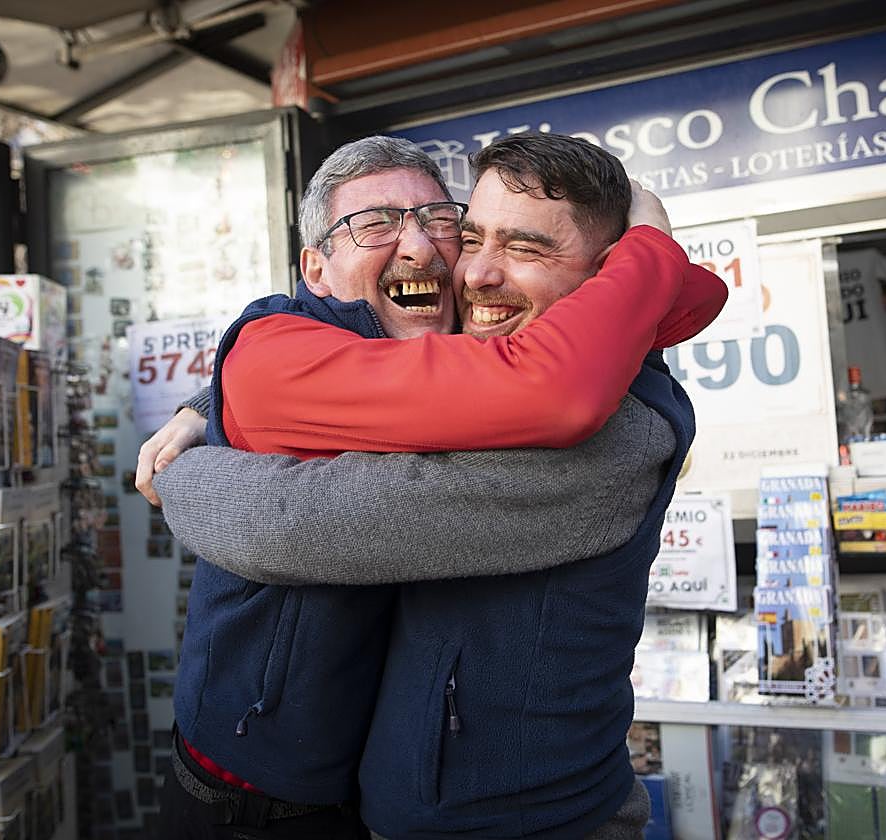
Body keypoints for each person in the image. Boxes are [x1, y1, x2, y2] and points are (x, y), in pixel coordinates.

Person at [141, 133, 725, 839]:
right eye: (375, 224)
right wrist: (214, 407)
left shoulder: (604, 426)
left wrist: (189, 469)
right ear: (314, 268)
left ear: (606, 278)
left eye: (439, 221)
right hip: (243, 799)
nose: (441, 257)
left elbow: (300, 524)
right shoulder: (292, 346)